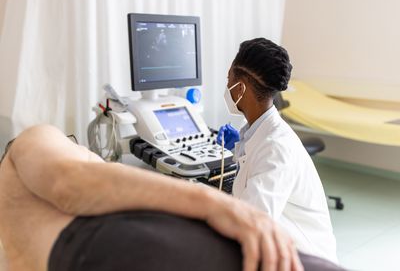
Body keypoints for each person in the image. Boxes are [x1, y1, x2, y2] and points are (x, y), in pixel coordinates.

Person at [0, 124, 306, 271]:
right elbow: (69, 183)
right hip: (127, 245)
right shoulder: (32, 139)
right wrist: (218, 204)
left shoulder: (17, 236)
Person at [217, 38, 337, 263]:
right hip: (286, 245)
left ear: (240, 88)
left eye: (228, 80)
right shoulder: (261, 131)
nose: (226, 87)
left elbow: (251, 222)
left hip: (307, 259)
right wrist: (239, 145)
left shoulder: (277, 147)